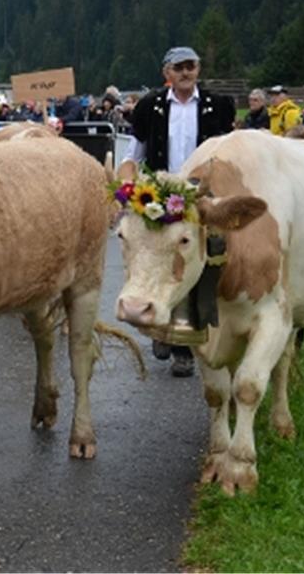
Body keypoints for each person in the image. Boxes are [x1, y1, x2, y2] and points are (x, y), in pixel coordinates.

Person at [126, 46, 235, 378]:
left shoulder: (219, 104)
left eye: (191, 66)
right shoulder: (149, 106)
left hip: (205, 196)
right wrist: (128, 188)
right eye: (179, 67)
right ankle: (165, 334)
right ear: (167, 73)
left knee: (205, 268)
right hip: (163, 197)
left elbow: (231, 148)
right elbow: (136, 151)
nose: (186, 72)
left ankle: (191, 340)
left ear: (198, 69)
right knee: (163, 269)